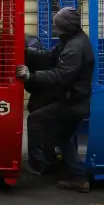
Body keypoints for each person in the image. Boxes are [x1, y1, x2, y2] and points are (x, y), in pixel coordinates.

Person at [17, 7, 94, 193]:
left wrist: (31, 76)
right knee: (61, 136)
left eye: (56, 26)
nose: (54, 29)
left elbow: (60, 75)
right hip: (73, 100)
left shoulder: (75, 48)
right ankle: (74, 175)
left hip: (73, 103)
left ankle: (39, 164)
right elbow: (50, 56)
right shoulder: (71, 40)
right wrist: (23, 51)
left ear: (65, 27)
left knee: (35, 119)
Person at [23, 35, 61, 172]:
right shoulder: (30, 41)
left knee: (37, 121)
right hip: (44, 89)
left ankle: (39, 162)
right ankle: (45, 159)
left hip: (46, 90)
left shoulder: (29, 46)